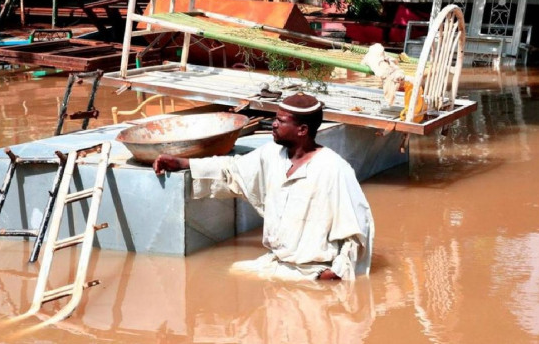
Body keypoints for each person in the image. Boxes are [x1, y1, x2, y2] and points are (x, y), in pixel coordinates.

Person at [153, 92, 374, 281]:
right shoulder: (271, 155)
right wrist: (183, 163)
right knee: (225, 273)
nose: (274, 124)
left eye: (281, 120)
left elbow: (357, 230)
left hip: (315, 274)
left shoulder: (334, 169)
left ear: (302, 129)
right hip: (275, 264)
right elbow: (232, 170)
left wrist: (336, 273)